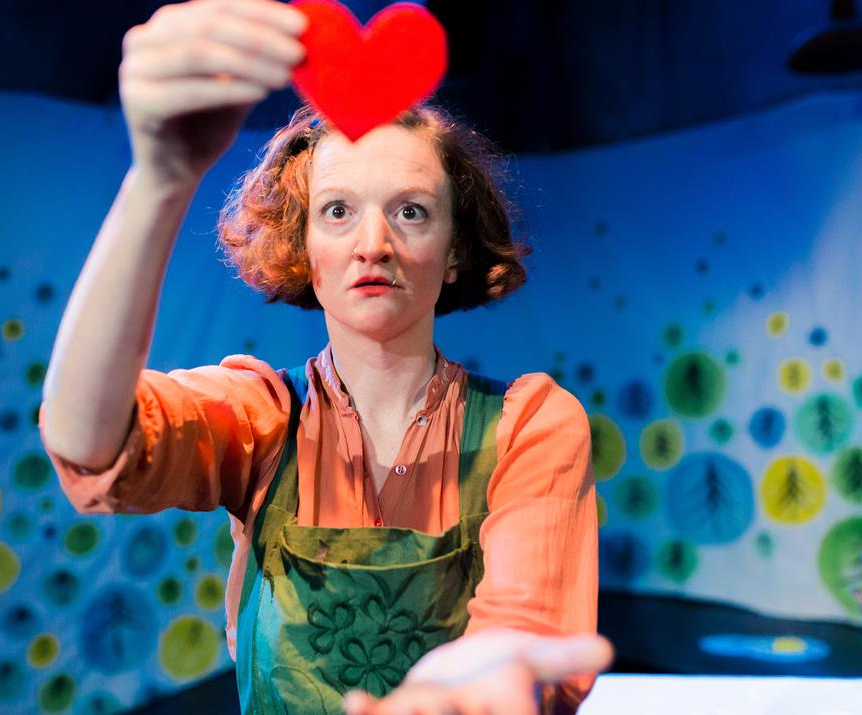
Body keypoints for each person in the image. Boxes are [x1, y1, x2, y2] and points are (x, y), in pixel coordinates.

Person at [39, 1, 611, 712]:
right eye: (338, 211)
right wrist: (159, 180)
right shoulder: (261, 420)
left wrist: (480, 688)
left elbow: (528, 639)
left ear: (456, 247)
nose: (374, 242)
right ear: (303, 249)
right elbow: (92, 447)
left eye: (412, 210)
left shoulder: (529, 426)